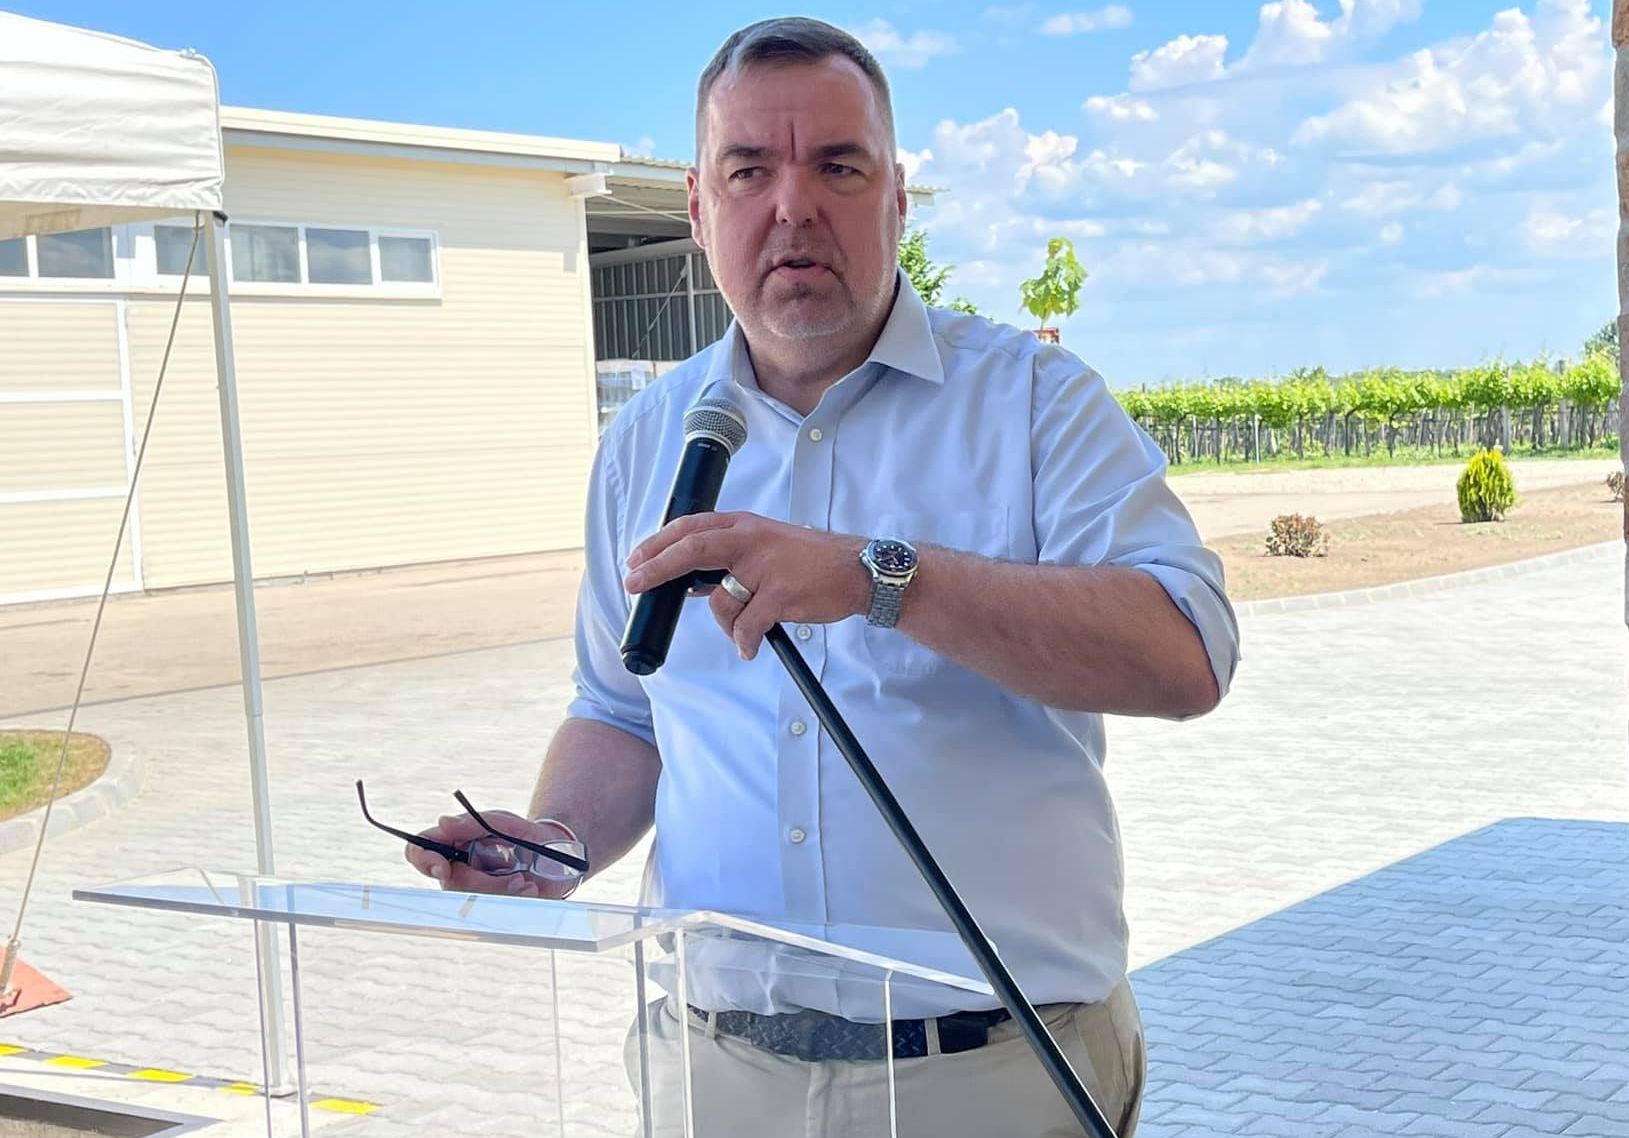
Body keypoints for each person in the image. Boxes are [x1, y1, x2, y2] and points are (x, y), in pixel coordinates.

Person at [406, 16, 1239, 1137]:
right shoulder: (644, 442)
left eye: (837, 167)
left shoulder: (1035, 403)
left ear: (896, 197)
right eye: (749, 170)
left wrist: (881, 579)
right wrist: (553, 841)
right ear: (699, 208)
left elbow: (1186, 653)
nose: (792, 206)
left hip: (992, 1074)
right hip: (716, 1075)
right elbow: (622, 710)